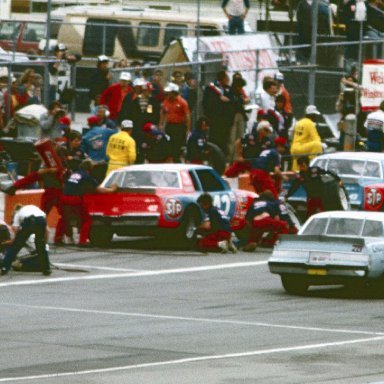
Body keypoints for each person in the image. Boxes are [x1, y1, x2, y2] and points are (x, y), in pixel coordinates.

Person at [56, 159, 118, 246]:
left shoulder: (73, 174)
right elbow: (98, 190)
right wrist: (112, 189)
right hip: (75, 199)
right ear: (90, 168)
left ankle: (57, 239)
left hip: (63, 198)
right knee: (86, 220)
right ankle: (83, 241)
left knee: (65, 218)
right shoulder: (87, 177)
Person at [1, 204, 51, 276]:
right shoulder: (33, 208)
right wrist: (45, 242)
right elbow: (46, 230)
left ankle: (4, 268)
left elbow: (16, 229)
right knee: (40, 246)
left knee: (15, 247)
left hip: (29, 222)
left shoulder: (18, 213)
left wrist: (14, 240)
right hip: (41, 220)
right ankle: (46, 269)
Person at [202, 70, 234, 156]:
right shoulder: (210, 89)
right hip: (215, 119)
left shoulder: (228, 88)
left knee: (224, 139)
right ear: (222, 79)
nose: (228, 80)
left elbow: (232, 101)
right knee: (215, 139)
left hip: (225, 120)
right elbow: (206, 103)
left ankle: (224, 156)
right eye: (226, 78)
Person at [159, 82, 191, 162]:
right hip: (170, 126)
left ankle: (177, 161)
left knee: (177, 146)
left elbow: (187, 116)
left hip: (179, 127)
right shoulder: (166, 101)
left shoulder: (182, 102)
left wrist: (188, 130)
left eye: (169, 92)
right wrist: (161, 124)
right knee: (169, 145)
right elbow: (163, 112)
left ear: (174, 93)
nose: (168, 94)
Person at [290, 105, 323, 171]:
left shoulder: (299, 122)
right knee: (317, 145)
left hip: (294, 148)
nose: (315, 117)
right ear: (312, 115)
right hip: (301, 148)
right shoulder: (310, 123)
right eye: (315, 115)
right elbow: (316, 139)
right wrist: (322, 145)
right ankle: (312, 165)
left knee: (296, 168)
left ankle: (295, 170)